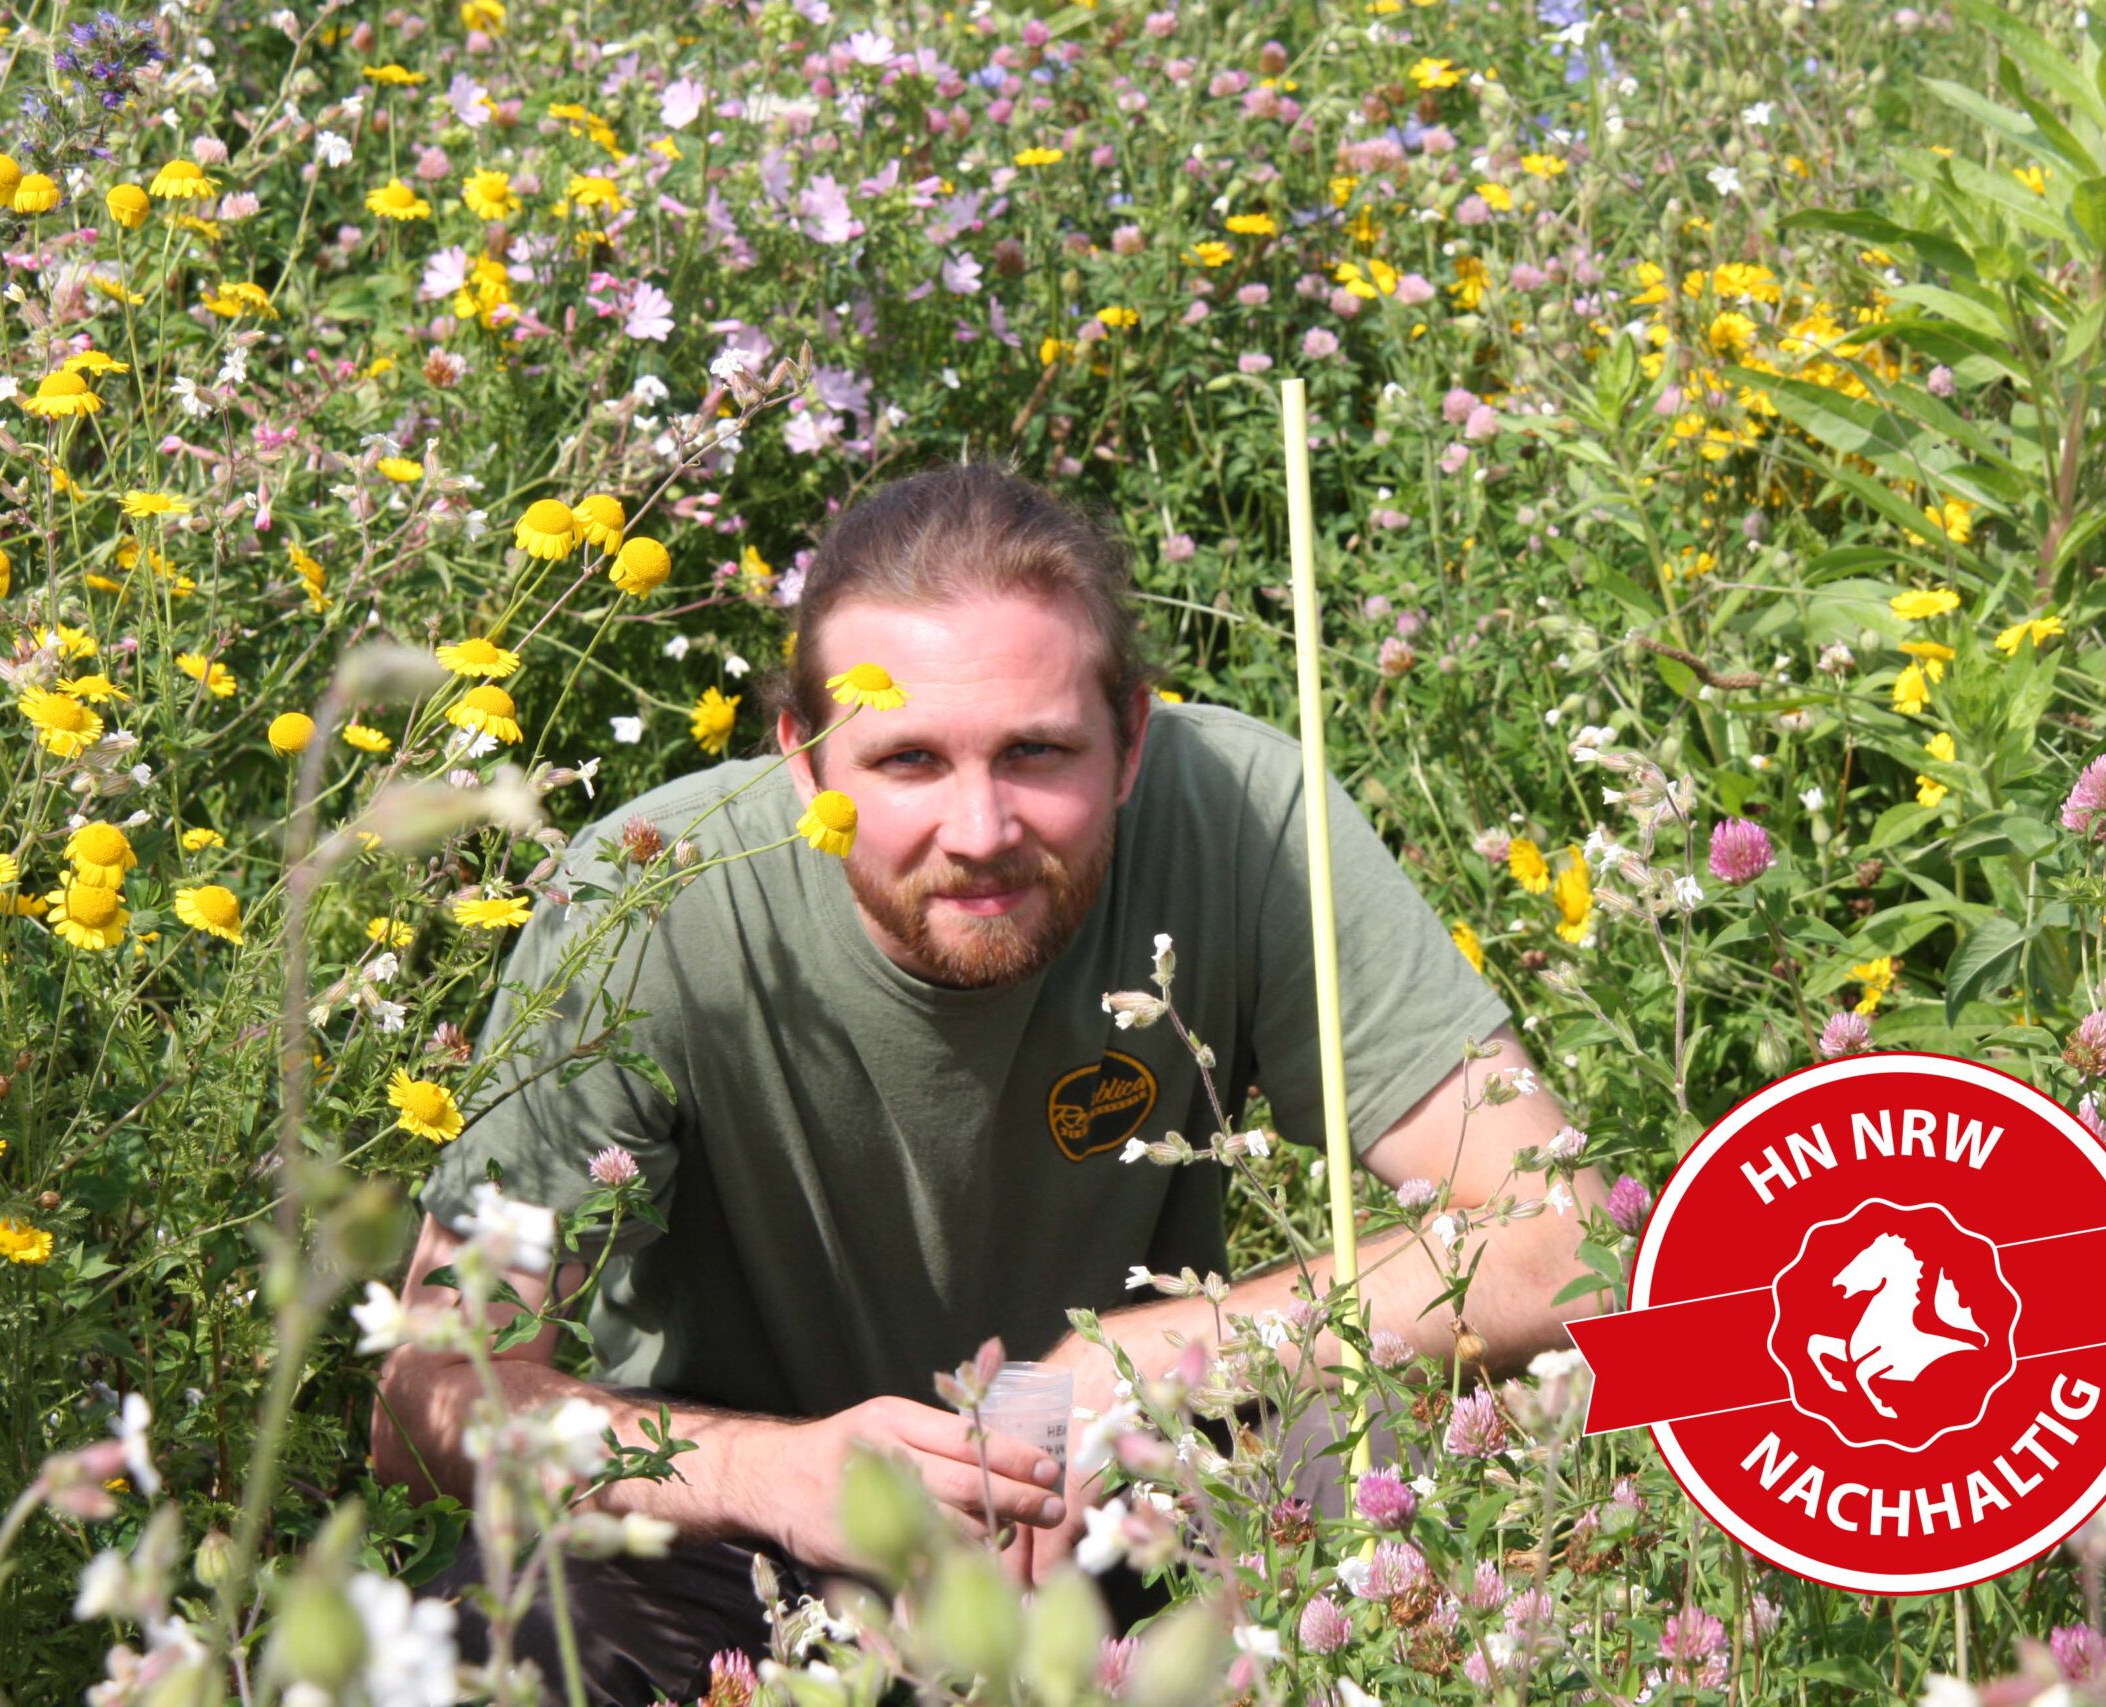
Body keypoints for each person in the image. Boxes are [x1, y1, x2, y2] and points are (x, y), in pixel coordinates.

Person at [369, 461, 1610, 1705]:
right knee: (503, 1619)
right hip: (737, 1555)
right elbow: (429, 1400)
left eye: (1035, 753)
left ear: (1129, 740)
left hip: (1127, 1519)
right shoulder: (649, 899)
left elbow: (1567, 1242)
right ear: (802, 761)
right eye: (907, 761)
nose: (979, 830)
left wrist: (1105, 1377)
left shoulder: (1245, 816)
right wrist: (783, 1480)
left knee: (1387, 1462)